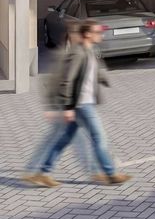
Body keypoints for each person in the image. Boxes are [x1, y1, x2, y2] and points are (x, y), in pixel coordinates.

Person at [22, 20, 131, 188]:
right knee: (99, 137)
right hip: (81, 104)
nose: (100, 35)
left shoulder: (90, 51)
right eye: (97, 32)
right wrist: (67, 107)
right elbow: (67, 80)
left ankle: (43, 173)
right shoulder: (77, 53)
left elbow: (91, 72)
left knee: (64, 139)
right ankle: (111, 174)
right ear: (87, 34)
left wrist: (103, 78)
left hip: (84, 103)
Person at [24, 23, 100, 182]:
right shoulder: (62, 55)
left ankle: (39, 171)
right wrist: (52, 107)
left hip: (74, 105)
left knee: (68, 139)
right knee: (63, 140)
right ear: (70, 36)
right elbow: (50, 82)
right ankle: (35, 171)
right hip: (63, 106)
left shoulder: (83, 53)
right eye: (75, 33)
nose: (79, 36)